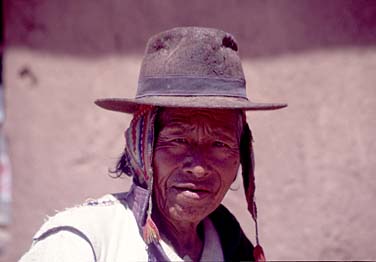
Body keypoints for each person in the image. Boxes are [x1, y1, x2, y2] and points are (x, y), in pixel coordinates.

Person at [20, 27, 287, 262]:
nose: (198, 169)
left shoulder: (233, 246)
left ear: (241, 158)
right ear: (141, 149)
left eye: (219, 144)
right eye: (178, 140)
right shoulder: (83, 242)